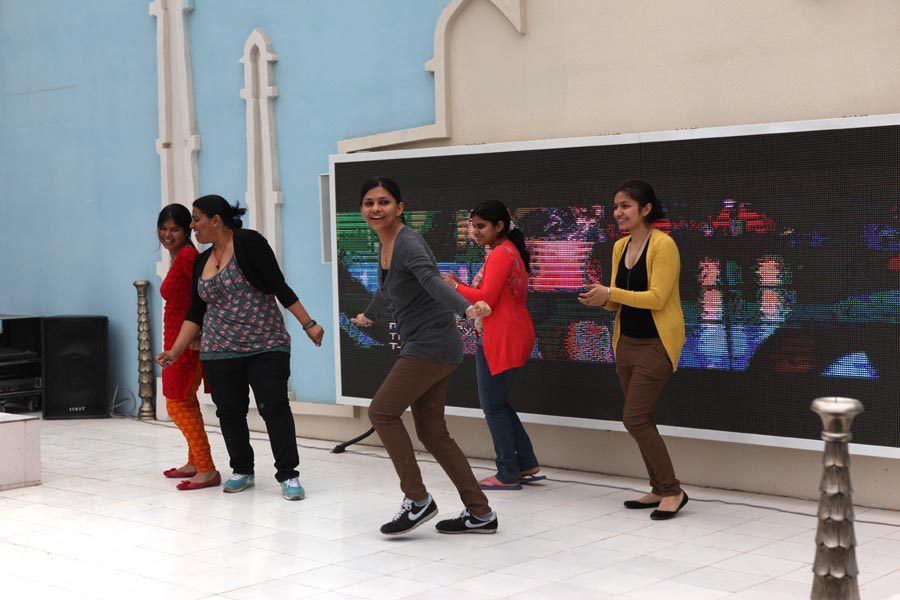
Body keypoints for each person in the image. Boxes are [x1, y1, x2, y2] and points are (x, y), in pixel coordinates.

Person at [350, 177, 498, 536]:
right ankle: (481, 513)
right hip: (433, 345)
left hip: (430, 345)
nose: (375, 209)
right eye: (369, 203)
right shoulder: (385, 243)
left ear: (400, 208)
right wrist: (369, 315)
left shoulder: (408, 243)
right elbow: (387, 290)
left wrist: (465, 311)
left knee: (382, 412)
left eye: (384, 202)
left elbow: (431, 281)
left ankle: (417, 500)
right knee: (433, 433)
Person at [156, 195, 324, 501]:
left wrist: (308, 323)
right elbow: (196, 312)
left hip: (265, 343)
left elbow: (278, 285)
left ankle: (288, 474)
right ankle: (242, 469)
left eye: (196, 219)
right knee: (230, 412)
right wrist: (175, 350)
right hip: (219, 348)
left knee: (273, 407)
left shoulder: (250, 243)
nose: (192, 226)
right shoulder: (202, 261)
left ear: (216, 220)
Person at [578, 180, 688, 520]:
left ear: (646, 209)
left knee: (635, 418)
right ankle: (658, 487)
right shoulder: (619, 247)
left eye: (625, 206)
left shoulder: (663, 245)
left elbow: (657, 298)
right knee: (641, 420)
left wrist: (610, 292)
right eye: (616, 207)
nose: (618, 213)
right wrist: (601, 298)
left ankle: (673, 490)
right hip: (626, 343)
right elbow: (618, 304)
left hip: (657, 343)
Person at [440, 200, 541, 490]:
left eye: (480, 225)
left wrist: (453, 287)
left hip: (501, 336)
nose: (474, 231)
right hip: (511, 332)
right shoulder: (508, 251)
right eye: (472, 225)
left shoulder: (501, 253)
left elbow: (486, 299)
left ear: (499, 226)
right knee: (499, 403)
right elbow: (491, 294)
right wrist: (460, 284)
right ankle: (526, 463)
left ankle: (507, 473)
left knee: (493, 406)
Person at [157, 204, 220, 490]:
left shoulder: (187, 257)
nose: (168, 234)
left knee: (177, 402)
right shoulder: (180, 256)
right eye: (164, 228)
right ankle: (195, 462)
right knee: (186, 399)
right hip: (176, 336)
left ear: (186, 232)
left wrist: (197, 335)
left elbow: (202, 298)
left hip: (187, 339)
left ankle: (206, 468)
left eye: (175, 229)